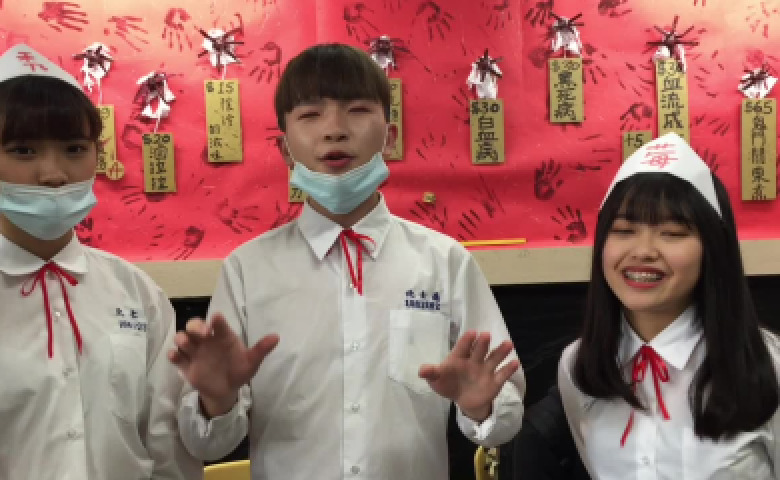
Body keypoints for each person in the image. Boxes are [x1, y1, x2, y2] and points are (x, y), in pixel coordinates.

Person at [170, 43, 525, 479]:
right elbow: (206, 443)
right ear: (285, 150)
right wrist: (217, 401)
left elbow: (505, 414)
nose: (335, 130)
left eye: (357, 110)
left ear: (389, 137)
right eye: (310, 115)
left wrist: (481, 406)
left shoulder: (444, 261)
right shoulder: (248, 270)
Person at [0, 44, 201, 479]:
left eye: (73, 149)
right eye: (24, 151)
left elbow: (168, 452)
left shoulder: (138, 294)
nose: (53, 174)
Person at [558, 132, 780, 479]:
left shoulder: (768, 364)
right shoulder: (579, 364)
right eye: (624, 230)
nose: (643, 251)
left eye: (672, 233)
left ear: (713, 249)